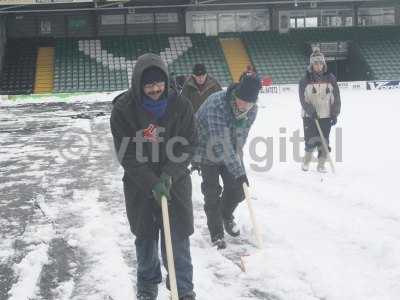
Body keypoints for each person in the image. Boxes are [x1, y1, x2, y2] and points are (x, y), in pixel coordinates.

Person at [110, 53, 196, 300]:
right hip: (140, 187)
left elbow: (189, 144)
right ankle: (147, 288)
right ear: (138, 84)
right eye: (149, 85)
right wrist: (152, 183)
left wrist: (169, 175)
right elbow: (128, 156)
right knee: (146, 240)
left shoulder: (181, 106)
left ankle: (183, 288)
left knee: (178, 239)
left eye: (159, 83)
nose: (156, 89)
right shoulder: (123, 110)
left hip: (176, 184)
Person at [194, 73, 261, 249]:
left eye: (249, 103)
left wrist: (239, 168)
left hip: (228, 146)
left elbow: (240, 138)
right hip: (205, 145)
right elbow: (220, 144)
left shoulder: (252, 110)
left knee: (239, 190)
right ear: (236, 93)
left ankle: (225, 215)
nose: (243, 106)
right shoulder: (218, 104)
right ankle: (216, 234)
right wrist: (238, 171)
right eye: (241, 100)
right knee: (212, 193)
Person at [299, 48, 341, 172]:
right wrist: (311, 111)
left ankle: (321, 165)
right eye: (316, 63)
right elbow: (303, 99)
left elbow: (336, 98)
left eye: (320, 63)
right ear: (312, 64)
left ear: (324, 64)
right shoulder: (305, 80)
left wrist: (334, 114)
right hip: (309, 116)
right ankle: (306, 162)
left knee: (324, 141)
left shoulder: (330, 78)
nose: (318, 65)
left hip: (326, 115)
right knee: (310, 140)